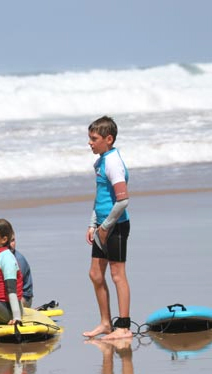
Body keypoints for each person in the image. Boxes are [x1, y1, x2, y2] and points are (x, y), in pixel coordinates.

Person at [83, 116, 132, 340]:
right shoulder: (101, 161)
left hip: (117, 226)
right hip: (102, 226)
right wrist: (93, 224)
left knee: (117, 275)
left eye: (94, 139)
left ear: (108, 139)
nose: (90, 143)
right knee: (95, 274)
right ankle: (105, 324)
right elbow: (100, 197)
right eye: (90, 138)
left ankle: (123, 326)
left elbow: (122, 200)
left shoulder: (113, 162)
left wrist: (106, 227)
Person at [0, 236, 33, 308]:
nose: (11, 244)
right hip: (1, 295)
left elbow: (13, 289)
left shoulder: (17, 260)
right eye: (9, 241)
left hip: (22, 297)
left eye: (13, 241)